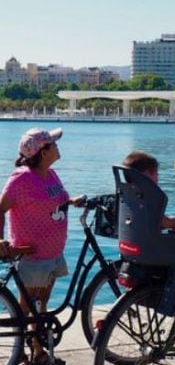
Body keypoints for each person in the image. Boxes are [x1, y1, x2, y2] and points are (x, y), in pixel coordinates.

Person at [0, 127, 84, 365]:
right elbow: (0, 208)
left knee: (41, 304)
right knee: (27, 307)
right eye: (54, 144)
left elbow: (50, 202)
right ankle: (25, 352)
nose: (58, 147)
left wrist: (70, 200)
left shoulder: (51, 174)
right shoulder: (22, 178)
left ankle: (34, 350)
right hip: (33, 254)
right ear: (43, 151)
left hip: (53, 252)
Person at [122, 150, 175, 230]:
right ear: (147, 174)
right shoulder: (148, 197)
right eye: (157, 174)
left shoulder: (126, 195)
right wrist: (173, 221)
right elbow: (163, 221)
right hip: (149, 241)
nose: (158, 177)